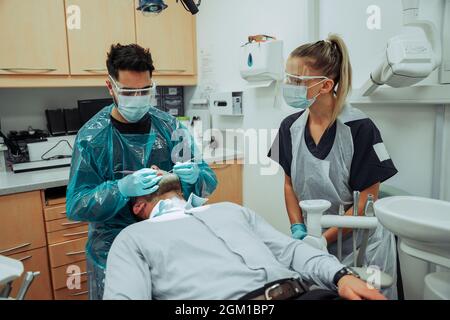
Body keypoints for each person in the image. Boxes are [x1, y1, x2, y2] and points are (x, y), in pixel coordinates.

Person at [66, 43, 218, 300]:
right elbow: (77, 204)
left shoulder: (169, 127)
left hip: (169, 242)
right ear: (110, 87)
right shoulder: (92, 138)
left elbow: (207, 180)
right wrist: (120, 189)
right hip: (113, 249)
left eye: (144, 90)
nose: (137, 99)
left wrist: (195, 176)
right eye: (128, 91)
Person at [103, 171, 386, 300]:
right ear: (138, 205)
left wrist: (342, 275)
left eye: (158, 168)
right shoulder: (133, 238)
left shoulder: (230, 210)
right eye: (146, 173)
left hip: (306, 293)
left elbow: (291, 251)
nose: (155, 168)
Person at [268, 34, 398, 298]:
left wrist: (321, 240)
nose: (288, 85)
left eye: (297, 80)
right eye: (288, 78)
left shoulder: (360, 128)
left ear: (326, 85)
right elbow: (289, 183)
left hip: (363, 248)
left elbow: (366, 201)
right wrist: (299, 230)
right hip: (314, 240)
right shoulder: (289, 127)